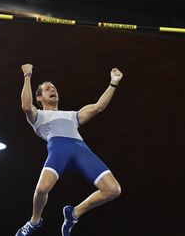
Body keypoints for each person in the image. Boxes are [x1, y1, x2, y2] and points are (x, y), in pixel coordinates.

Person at [16, 64, 123, 236]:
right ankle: (34, 221)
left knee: (113, 189)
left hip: (80, 149)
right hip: (59, 149)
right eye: (47, 88)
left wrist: (113, 83)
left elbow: (98, 107)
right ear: (39, 99)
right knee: (42, 189)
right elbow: (26, 106)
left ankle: (74, 213)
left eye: (54, 87)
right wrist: (27, 75)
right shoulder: (38, 116)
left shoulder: (72, 115)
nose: (53, 89)